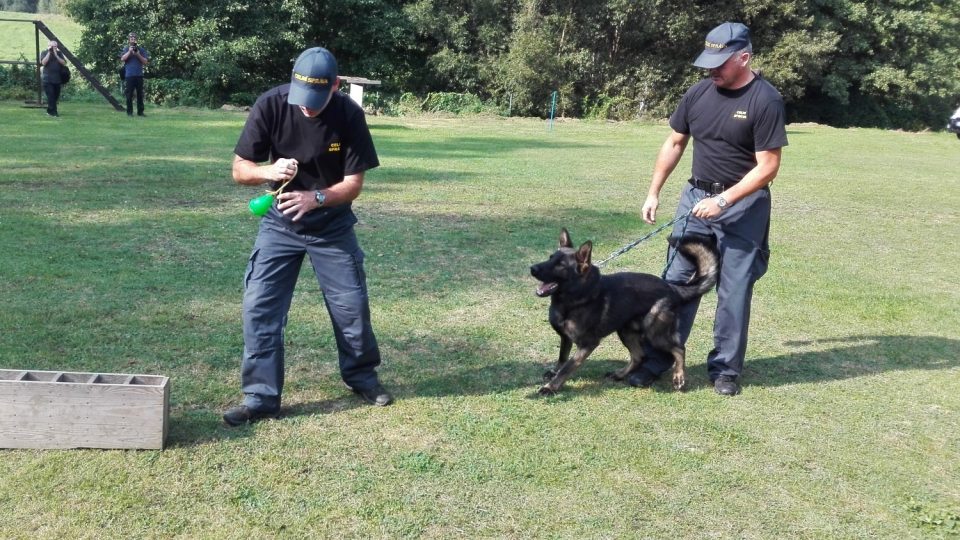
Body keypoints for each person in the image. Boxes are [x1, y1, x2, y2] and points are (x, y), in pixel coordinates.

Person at [223, 46, 393, 426]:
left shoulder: (349, 114)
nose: (307, 108)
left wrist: (316, 198)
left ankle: (362, 377)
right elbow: (239, 170)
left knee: (351, 307)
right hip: (279, 225)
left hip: (331, 226)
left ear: (335, 85)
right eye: (302, 98)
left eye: (316, 101)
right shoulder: (271, 104)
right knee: (260, 307)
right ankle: (261, 398)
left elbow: (353, 184)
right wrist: (269, 172)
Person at [629, 22, 788, 396]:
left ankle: (725, 371)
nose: (711, 70)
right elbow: (674, 142)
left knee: (733, 291)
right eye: (708, 61)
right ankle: (657, 359)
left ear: (744, 57)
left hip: (742, 208)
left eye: (720, 62)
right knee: (676, 282)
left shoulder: (765, 100)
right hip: (695, 200)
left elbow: (768, 166)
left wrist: (724, 200)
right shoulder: (698, 93)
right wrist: (654, 191)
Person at [119, 32, 150, 116]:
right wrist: (129, 52)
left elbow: (145, 62)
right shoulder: (126, 49)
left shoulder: (141, 49)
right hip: (129, 75)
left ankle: (140, 112)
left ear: (137, 39)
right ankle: (129, 112)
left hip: (139, 75)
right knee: (129, 95)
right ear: (129, 40)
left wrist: (138, 54)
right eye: (131, 38)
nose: (133, 39)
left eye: (134, 38)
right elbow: (122, 59)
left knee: (140, 94)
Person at [39, 40, 66, 117]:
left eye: (55, 46)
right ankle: (54, 113)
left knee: (55, 96)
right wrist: (49, 52)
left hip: (57, 79)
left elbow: (63, 63)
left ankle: (49, 111)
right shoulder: (44, 52)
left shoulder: (59, 53)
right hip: (47, 79)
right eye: (52, 46)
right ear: (48, 46)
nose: (54, 48)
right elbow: (43, 63)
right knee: (51, 96)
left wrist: (56, 55)